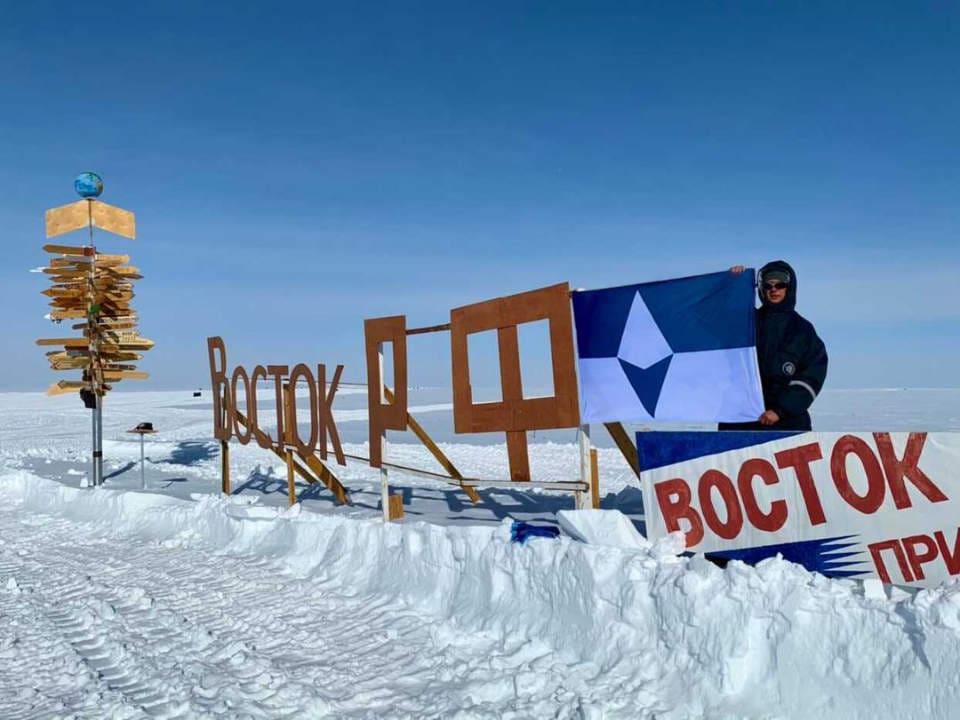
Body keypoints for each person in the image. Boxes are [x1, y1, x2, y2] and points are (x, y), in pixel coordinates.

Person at [721, 260, 827, 431]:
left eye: (780, 285)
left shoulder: (802, 330)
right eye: (768, 286)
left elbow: (811, 376)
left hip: (787, 423)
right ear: (762, 289)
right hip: (740, 420)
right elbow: (719, 318)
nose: (774, 289)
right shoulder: (745, 322)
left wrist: (780, 411)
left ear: (789, 288)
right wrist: (734, 284)